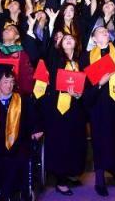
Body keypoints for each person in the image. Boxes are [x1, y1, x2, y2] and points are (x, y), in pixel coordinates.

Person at [0, 64, 43, 200]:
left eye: (12, 82)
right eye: (5, 82)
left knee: (16, 160)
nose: (9, 85)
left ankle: (7, 194)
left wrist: (36, 129)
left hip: (19, 143)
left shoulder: (23, 101)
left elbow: (35, 119)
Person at [39, 31, 88, 196]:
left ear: (76, 43)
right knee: (60, 141)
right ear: (59, 43)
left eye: (70, 39)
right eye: (64, 39)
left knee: (75, 140)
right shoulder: (55, 58)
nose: (68, 40)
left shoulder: (82, 60)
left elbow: (87, 82)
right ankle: (60, 179)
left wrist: (81, 94)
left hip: (76, 107)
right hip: (58, 107)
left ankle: (72, 173)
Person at [83, 24, 115, 197]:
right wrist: (99, 83)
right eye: (101, 32)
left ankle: (113, 166)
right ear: (94, 39)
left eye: (106, 31)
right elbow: (85, 86)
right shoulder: (86, 58)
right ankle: (99, 178)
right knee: (100, 139)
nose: (105, 33)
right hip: (98, 104)